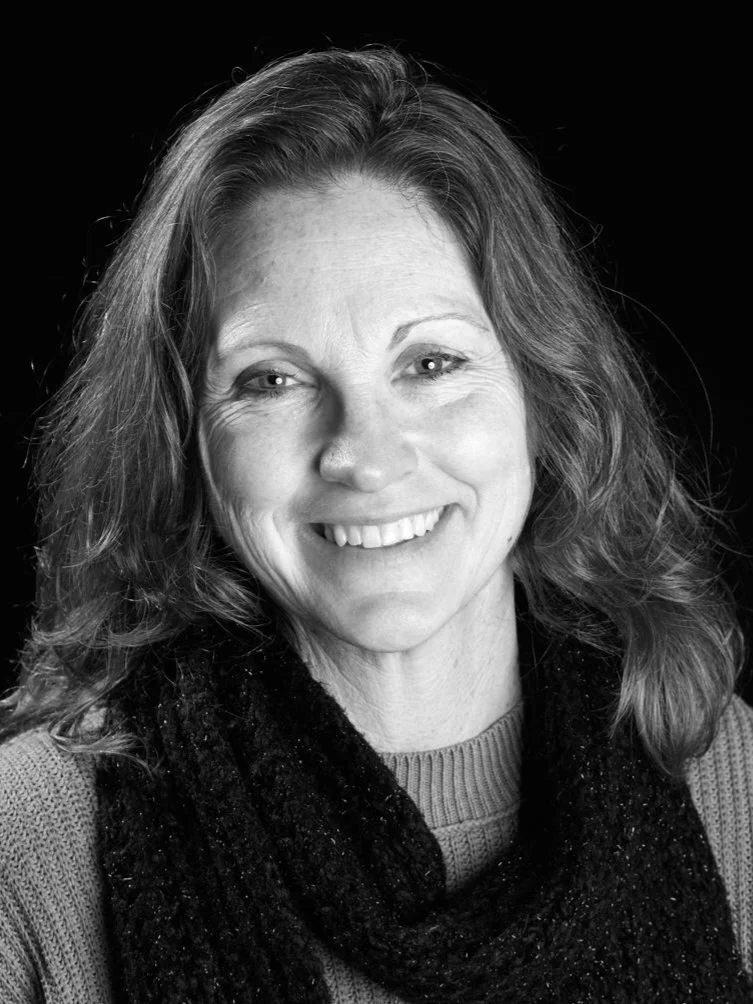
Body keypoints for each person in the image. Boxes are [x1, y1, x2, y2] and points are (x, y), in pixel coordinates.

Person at [1, 46, 751, 1004]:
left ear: (544, 396)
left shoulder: (733, 790)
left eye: (430, 364)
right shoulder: (25, 853)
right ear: (186, 438)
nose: (363, 452)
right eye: (271, 380)